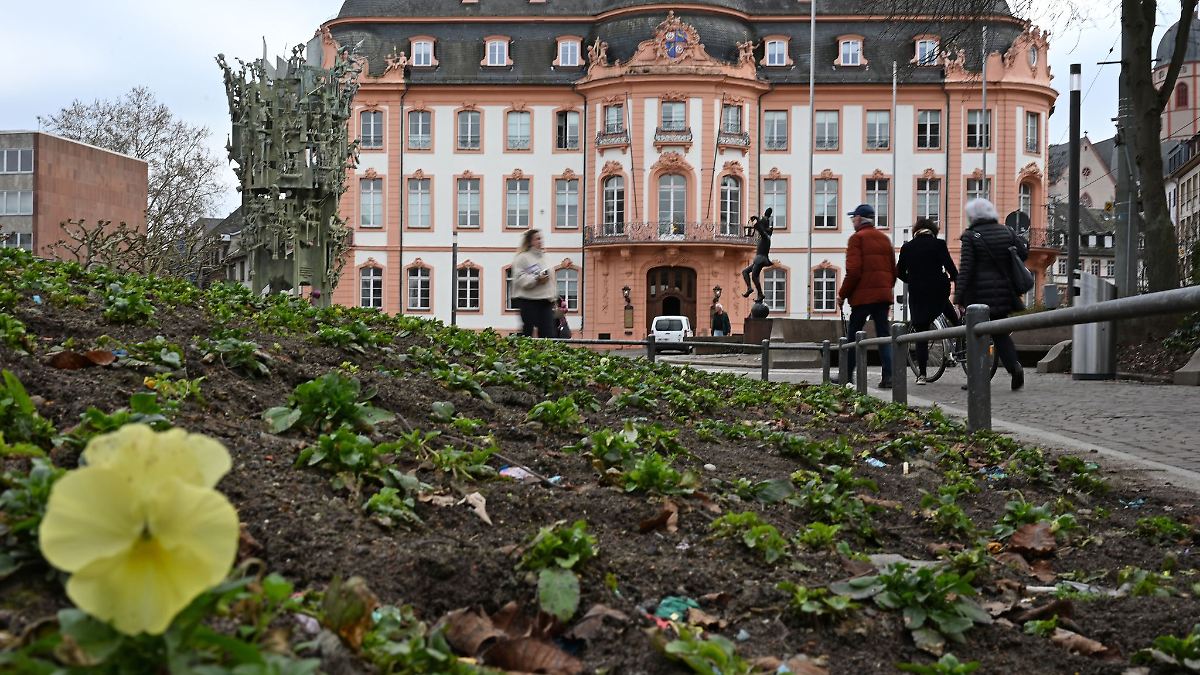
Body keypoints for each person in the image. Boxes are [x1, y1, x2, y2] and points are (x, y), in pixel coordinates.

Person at [954, 198, 1028, 390]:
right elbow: (1023, 253)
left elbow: (966, 269)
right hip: (1004, 291)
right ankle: (1015, 367)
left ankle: (976, 378)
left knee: (975, 334)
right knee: (1001, 333)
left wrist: (959, 297)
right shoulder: (1007, 231)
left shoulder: (971, 236)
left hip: (979, 295)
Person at [837, 204, 897, 388]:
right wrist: (886, 288)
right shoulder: (885, 239)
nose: (852, 221)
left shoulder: (857, 239)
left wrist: (842, 294)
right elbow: (893, 271)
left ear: (859, 219)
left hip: (862, 298)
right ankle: (889, 377)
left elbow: (853, 271)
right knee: (884, 336)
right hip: (882, 296)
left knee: (853, 337)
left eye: (853, 218)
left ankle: (846, 377)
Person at [897, 217, 958, 384]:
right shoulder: (939, 244)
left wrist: (914, 279)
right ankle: (961, 344)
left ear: (916, 231)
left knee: (921, 334)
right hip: (938, 291)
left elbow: (900, 272)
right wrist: (951, 279)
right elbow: (952, 268)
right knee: (951, 314)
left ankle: (922, 375)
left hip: (918, 295)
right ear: (932, 231)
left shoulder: (907, 247)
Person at [512, 229, 557, 338]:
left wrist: (554, 298)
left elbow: (551, 280)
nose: (540, 241)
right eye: (537, 238)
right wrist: (537, 279)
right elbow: (520, 279)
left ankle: (546, 354)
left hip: (546, 301)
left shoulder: (545, 257)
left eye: (541, 238)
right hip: (528, 301)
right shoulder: (522, 258)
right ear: (530, 241)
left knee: (548, 334)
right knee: (528, 332)